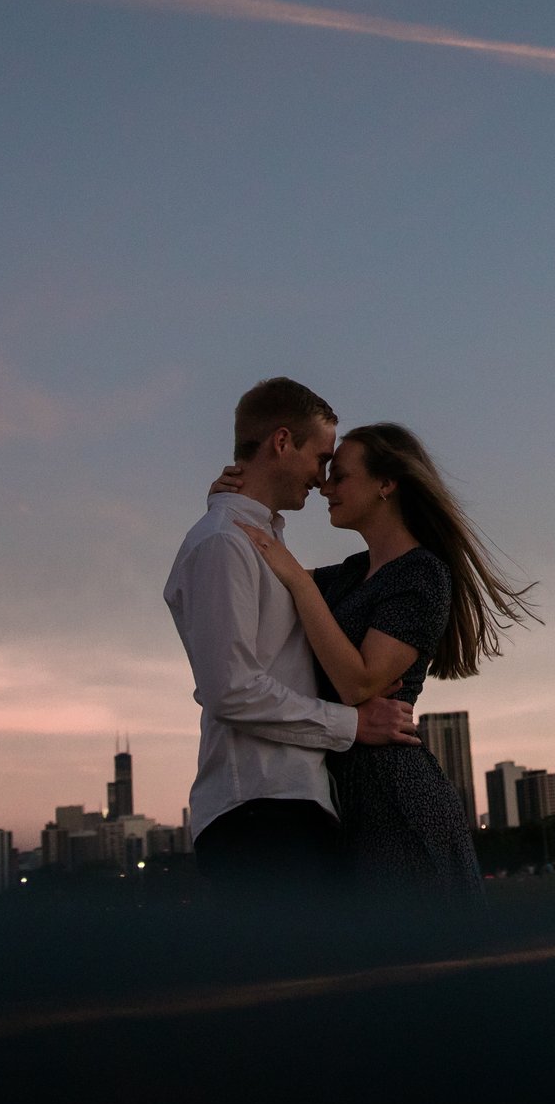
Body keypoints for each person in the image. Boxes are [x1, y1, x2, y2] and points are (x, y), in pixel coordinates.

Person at [228, 421, 533, 902]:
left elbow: (359, 683)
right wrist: (227, 504)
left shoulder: (422, 575)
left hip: (397, 802)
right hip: (343, 800)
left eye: (341, 476)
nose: (326, 487)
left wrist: (301, 582)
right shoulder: (352, 574)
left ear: (387, 484)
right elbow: (268, 580)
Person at [165, 378, 418, 896]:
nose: (323, 480)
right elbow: (231, 688)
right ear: (282, 442)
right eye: (321, 458)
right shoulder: (223, 545)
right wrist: (350, 724)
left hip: (288, 809)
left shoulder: (256, 542)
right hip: (258, 813)